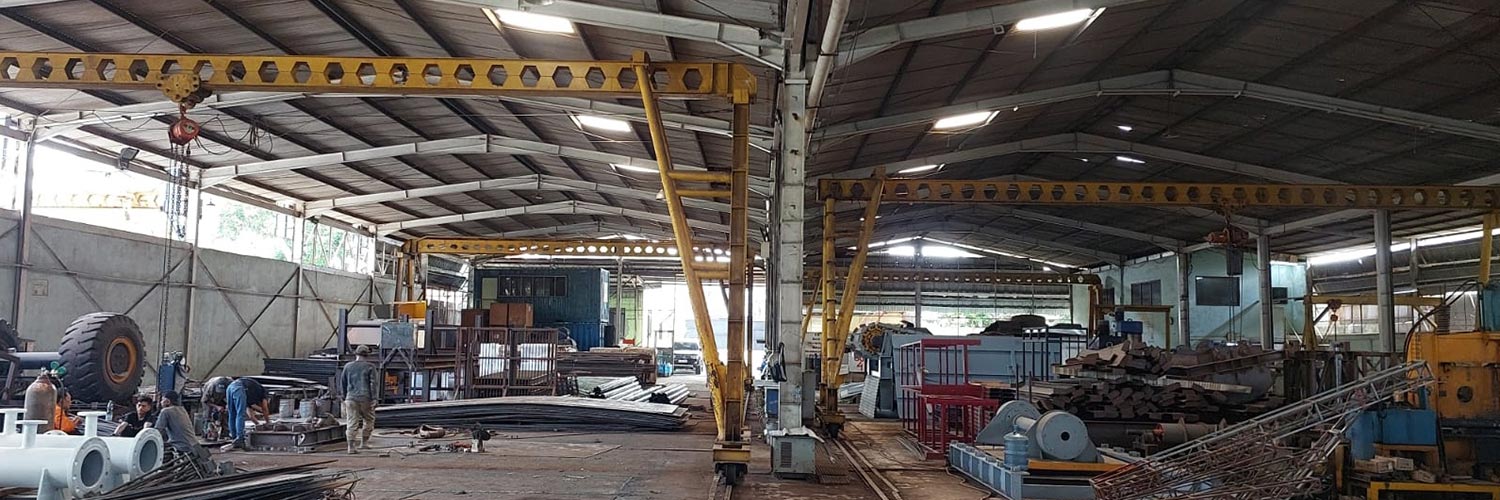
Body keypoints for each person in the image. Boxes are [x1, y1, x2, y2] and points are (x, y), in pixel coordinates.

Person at [340, 345, 380, 454]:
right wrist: (374, 398)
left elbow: (343, 383)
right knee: (369, 420)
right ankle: (364, 443)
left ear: (356, 354)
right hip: (365, 398)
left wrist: (344, 397)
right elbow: (373, 384)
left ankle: (351, 447)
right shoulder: (370, 367)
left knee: (352, 422)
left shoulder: (347, 366)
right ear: (367, 355)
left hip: (350, 398)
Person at [155, 391, 210, 469]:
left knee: (160, 451)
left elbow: (157, 431)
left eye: (162, 400)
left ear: (167, 401)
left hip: (181, 447)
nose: (161, 402)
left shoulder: (166, 411)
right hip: (195, 445)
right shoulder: (182, 409)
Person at [220, 377, 271, 452]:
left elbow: (251, 416)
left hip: (230, 387)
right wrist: (268, 423)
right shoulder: (263, 393)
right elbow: (265, 409)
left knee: (232, 414)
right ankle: (240, 439)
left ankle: (234, 438)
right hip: (239, 388)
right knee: (240, 414)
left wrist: (258, 424)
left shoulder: (251, 395)